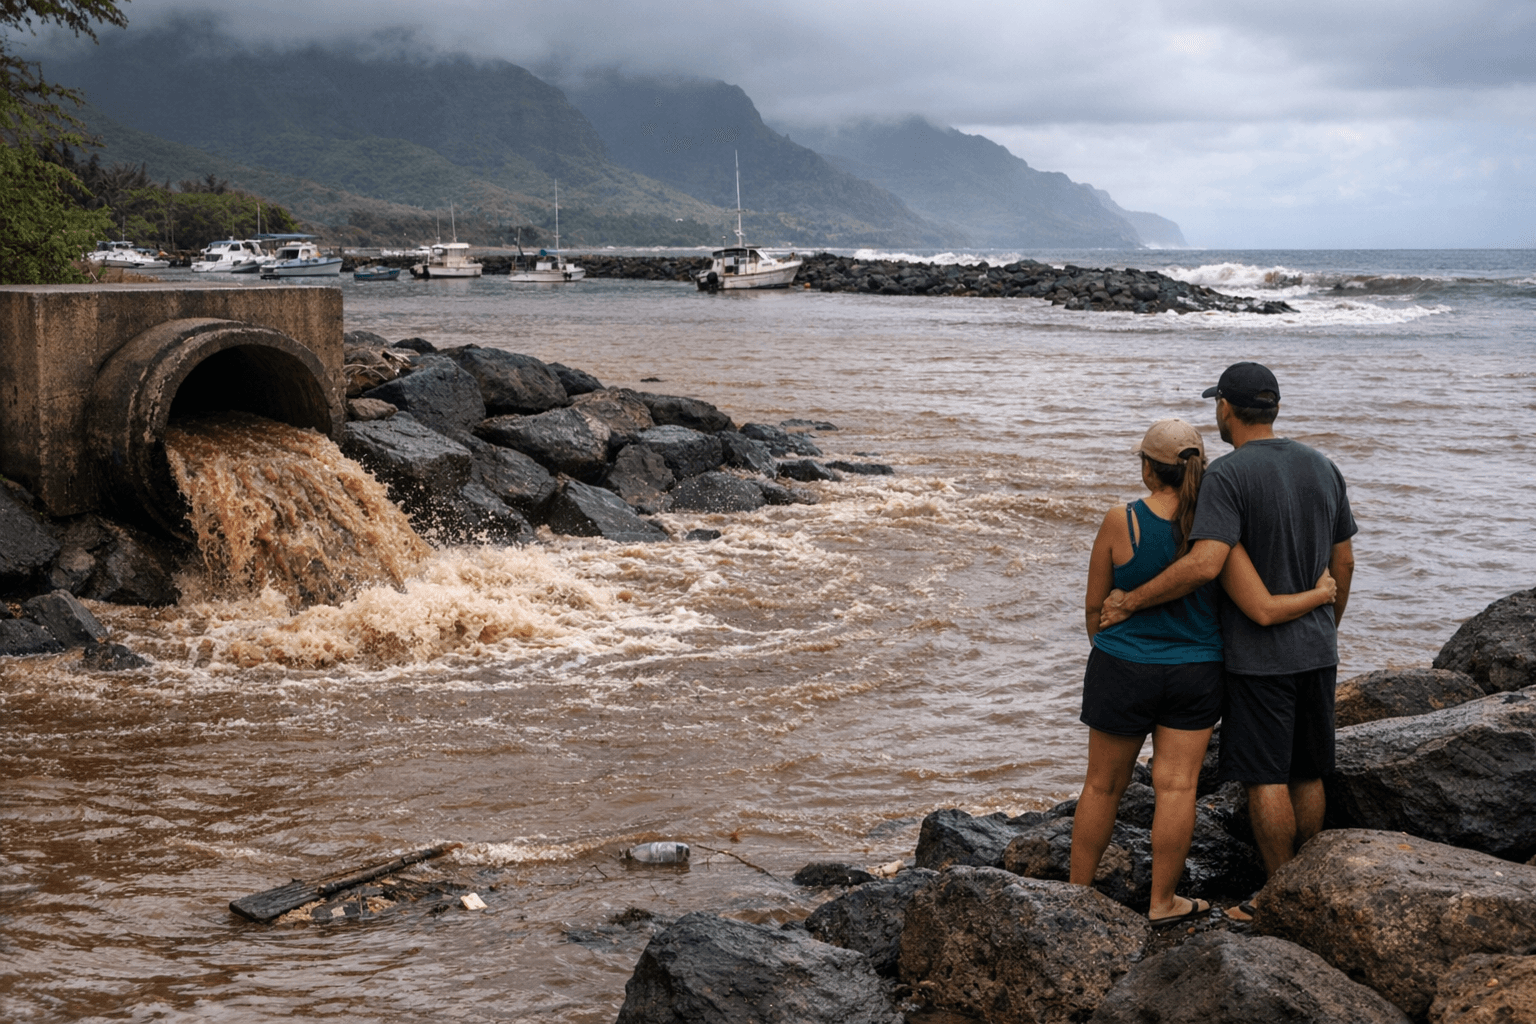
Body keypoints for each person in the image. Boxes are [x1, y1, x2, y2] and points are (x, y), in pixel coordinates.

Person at [1098, 363, 1357, 917]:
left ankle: (1278, 896)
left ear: (1225, 408)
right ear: (1274, 407)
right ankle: (1308, 888)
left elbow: (1204, 563)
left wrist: (1131, 601)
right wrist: (1326, 625)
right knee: (1308, 771)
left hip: (1260, 657)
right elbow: (1345, 562)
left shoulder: (1227, 475)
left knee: (1265, 777)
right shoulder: (1324, 466)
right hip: (1317, 647)